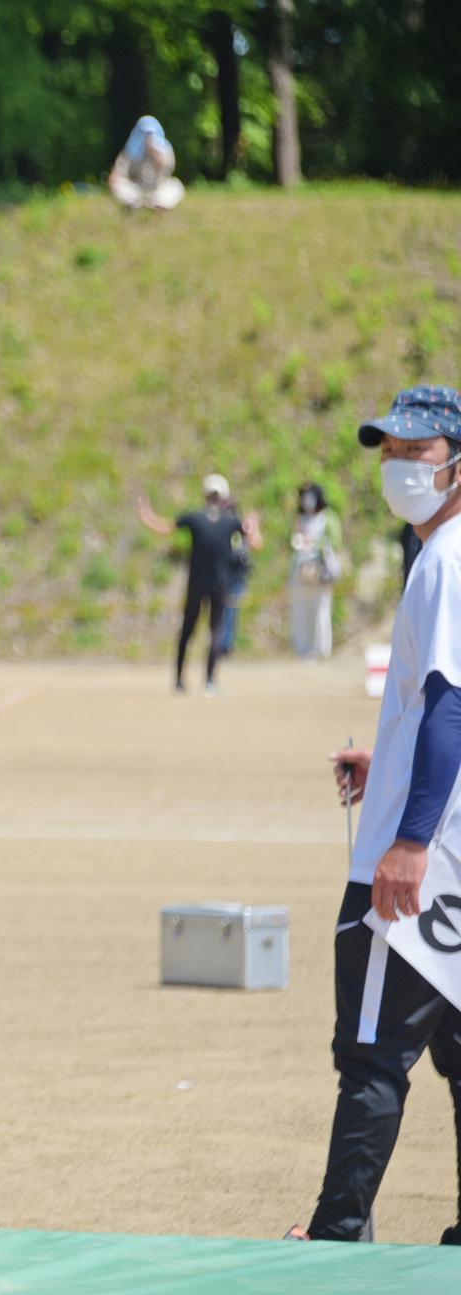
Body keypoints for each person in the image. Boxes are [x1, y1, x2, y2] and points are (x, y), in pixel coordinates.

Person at [289, 385, 461, 1247]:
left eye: (418, 452)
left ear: (458, 464)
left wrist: (406, 838)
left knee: (371, 1054)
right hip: (455, 853)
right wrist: (385, 764)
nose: (398, 467)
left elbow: (451, 706)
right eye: (389, 451)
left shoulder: (448, 560)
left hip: (418, 867)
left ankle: (338, 1231)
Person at [135, 475, 261, 695]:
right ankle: (210, 682)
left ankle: (179, 681)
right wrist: (254, 524)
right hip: (221, 584)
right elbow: (256, 543)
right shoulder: (231, 521)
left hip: (196, 583)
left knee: (187, 631)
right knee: (217, 630)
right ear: (223, 497)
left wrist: (146, 515)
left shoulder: (194, 517)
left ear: (205, 495)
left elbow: (163, 528)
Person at [289, 482, 343, 661]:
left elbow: (335, 542)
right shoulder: (300, 519)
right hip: (301, 571)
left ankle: (322, 649)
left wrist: (315, 544)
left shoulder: (328, 518)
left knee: (321, 611)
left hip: (320, 571)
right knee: (302, 611)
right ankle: (303, 648)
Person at [108, 115, 185, 212]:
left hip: (158, 188)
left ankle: (158, 204)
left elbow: (166, 171)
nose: (147, 138)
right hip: (137, 188)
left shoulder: (165, 149)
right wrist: (116, 182)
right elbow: (116, 175)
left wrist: (155, 153)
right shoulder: (129, 151)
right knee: (119, 185)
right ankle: (134, 203)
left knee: (176, 186)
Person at [217, 490, 261, 657]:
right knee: (220, 609)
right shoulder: (219, 525)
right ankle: (219, 643)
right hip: (221, 572)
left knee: (231, 609)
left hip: (236, 573)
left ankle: (225, 645)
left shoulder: (241, 526)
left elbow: (256, 544)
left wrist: (254, 525)